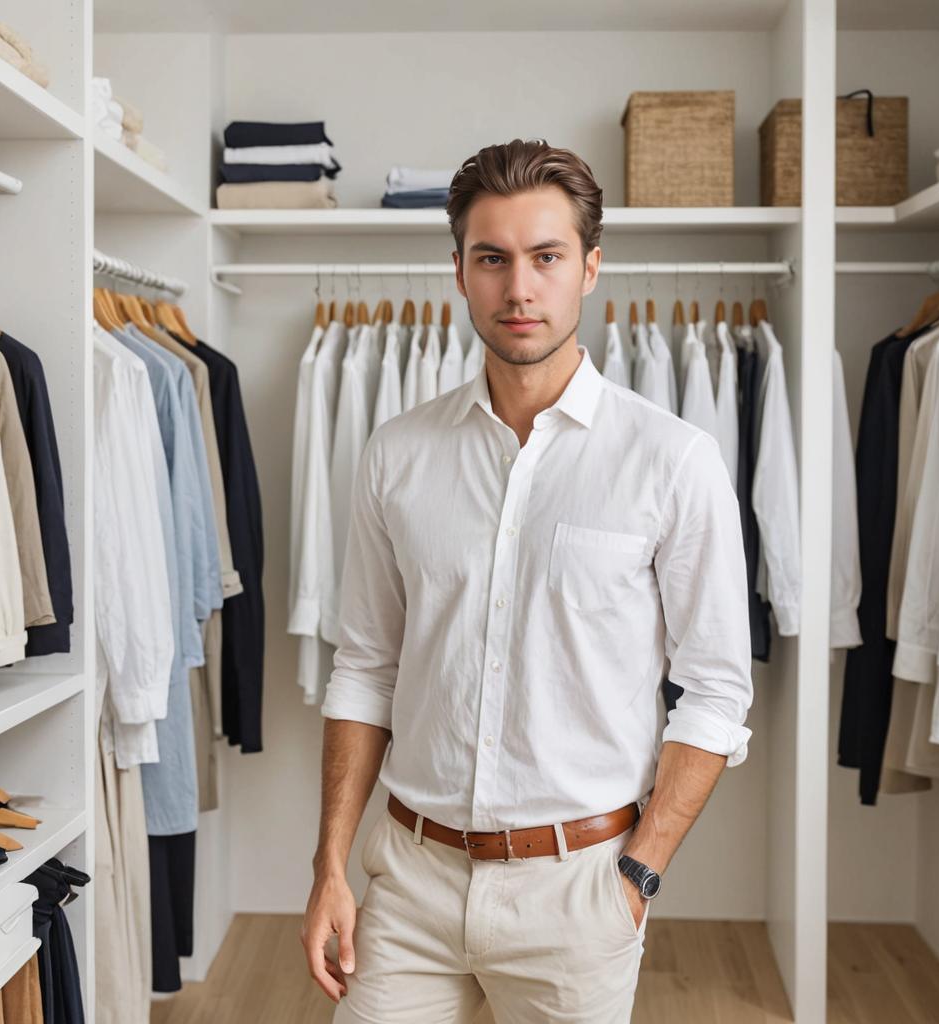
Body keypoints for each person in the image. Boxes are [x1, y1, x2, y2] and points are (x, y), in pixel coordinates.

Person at [301, 138, 754, 1023]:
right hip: (411, 884)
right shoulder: (396, 453)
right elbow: (365, 667)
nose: (520, 288)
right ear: (460, 273)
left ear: (589, 268)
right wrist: (329, 868)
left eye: (546, 257)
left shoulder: (672, 460)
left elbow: (716, 690)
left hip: (580, 891)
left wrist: (637, 873)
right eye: (493, 259)